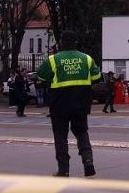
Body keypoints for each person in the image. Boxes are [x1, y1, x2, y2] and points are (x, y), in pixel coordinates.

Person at [36, 30, 101, 178]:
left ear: (61, 43)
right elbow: (97, 77)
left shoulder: (53, 60)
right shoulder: (87, 59)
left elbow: (41, 76)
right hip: (81, 103)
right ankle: (88, 161)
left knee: (60, 136)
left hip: (59, 104)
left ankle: (63, 169)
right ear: (75, 42)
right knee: (81, 132)